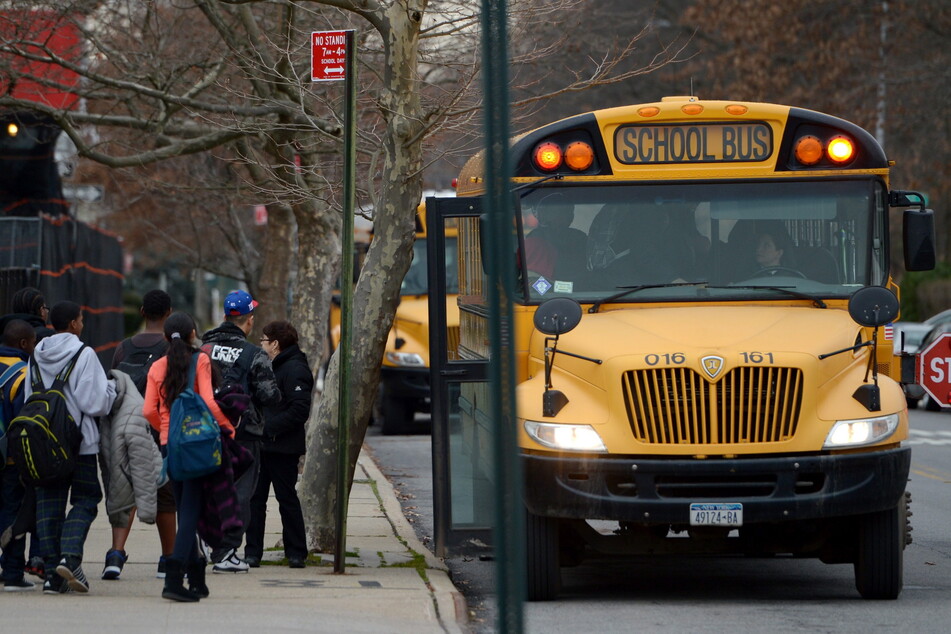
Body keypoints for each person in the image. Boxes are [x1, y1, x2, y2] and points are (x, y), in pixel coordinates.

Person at [143, 311, 235, 602]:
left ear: (164, 337)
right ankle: (173, 579)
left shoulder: (157, 366)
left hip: (171, 445)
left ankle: (197, 578)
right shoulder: (201, 360)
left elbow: (148, 410)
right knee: (191, 512)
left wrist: (166, 432)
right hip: (196, 444)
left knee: (186, 506)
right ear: (194, 333)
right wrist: (227, 428)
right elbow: (208, 401)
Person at [27, 301, 117, 594]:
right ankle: (70, 555)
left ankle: (55, 575)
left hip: (43, 442)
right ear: (75, 324)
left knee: (49, 505)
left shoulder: (36, 355)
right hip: (80, 443)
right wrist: (110, 390)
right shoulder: (84, 353)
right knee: (87, 497)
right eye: (81, 319)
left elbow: (30, 395)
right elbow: (95, 403)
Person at [200, 290, 280, 573]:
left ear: (225, 316)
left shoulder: (203, 349)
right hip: (243, 433)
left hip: (204, 429)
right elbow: (270, 396)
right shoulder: (254, 354)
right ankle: (227, 549)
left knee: (206, 488)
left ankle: (203, 538)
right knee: (240, 493)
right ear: (248, 321)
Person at [103, 289, 175, 581]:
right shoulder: (171, 348)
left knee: (125, 492)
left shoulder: (123, 348)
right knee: (164, 496)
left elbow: (115, 388)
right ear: (169, 314)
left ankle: (115, 555)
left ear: (143, 312)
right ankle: (168, 560)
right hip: (156, 430)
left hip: (124, 428)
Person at [244, 321, 313, 569]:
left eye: (263, 340)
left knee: (287, 500)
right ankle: (252, 552)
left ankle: (296, 552)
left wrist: (267, 428)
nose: (261, 344)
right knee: (255, 500)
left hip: (283, 448)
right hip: (262, 446)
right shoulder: (269, 366)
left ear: (275, 344)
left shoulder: (295, 369)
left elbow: (299, 410)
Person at [0, 319, 37, 591]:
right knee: (13, 511)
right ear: (23, 344)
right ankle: (12, 573)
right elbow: (23, 423)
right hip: (9, 460)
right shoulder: (22, 375)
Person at [523, 193, 587, 283]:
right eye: (560, 212)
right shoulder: (535, 243)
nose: (569, 216)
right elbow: (535, 285)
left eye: (569, 212)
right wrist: (565, 290)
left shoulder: (580, 238)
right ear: (543, 215)